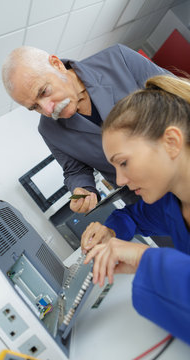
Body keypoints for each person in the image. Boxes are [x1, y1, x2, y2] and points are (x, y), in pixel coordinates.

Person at [81, 74, 190, 345]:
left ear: (171, 143)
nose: (119, 181)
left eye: (124, 163)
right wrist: (110, 232)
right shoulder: (170, 202)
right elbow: (132, 216)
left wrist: (145, 258)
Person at [2, 44, 168, 213]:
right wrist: (81, 191)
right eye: (34, 107)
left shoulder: (118, 59)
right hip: (147, 204)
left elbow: (177, 95)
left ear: (57, 65)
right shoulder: (48, 130)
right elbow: (75, 170)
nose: (47, 109)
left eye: (44, 92)